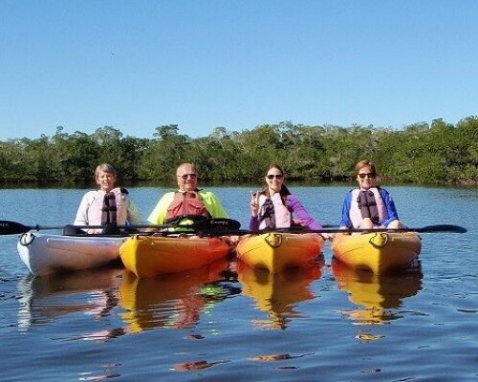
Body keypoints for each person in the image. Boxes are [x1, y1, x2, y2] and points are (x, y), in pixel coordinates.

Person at [148, 163, 228, 227]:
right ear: (178, 179)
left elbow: (223, 223)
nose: (189, 178)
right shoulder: (167, 197)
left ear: (197, 178)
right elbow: (154, 226)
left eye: (193, 175)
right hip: (173, 240)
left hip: (202, 239)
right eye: (185, 176)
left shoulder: (209, 196)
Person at [69, 163, 141, 234]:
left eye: (108, 176)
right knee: (69, 229)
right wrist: (88, 230)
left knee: (111, 227)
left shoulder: (124, 197)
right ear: (97, 180)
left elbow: (136, 221)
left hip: (116, 235)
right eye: (102, 176)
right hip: (94, 236)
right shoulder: (89, 196)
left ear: (114, 178)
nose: (106, 179)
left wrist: (148, 229)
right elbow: (79, 221)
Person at [249, 163, 324, 231]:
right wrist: (254, 213)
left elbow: (307, 219)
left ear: (282, 179)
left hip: (284, 237)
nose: (274, 179)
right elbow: (253, 230)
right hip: (263, 239)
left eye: (278, 176)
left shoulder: (290, 199)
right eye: (270, 176)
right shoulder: (258, 199)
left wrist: (323, 232)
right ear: (266, 179)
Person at [339, 159, 403, 229]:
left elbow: (393, 217)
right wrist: (342, 230)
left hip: (383, 230)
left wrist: (382, 227)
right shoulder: (350, 196)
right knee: (367, 222)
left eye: (370, 175)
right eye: (362, 175)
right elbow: (345, 220)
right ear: (357, 177)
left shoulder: (383, 194)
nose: (366, 178)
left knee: (396, 223)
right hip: (359, 232)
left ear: (374, 176)